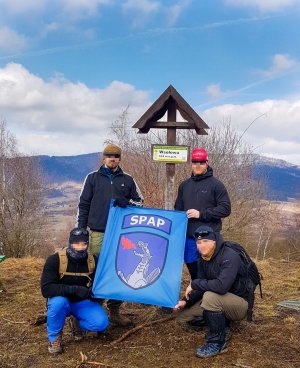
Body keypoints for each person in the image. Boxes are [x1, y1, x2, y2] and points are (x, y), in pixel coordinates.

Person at [76, 143, 143, 326]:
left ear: (120, 158)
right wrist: (80, 231)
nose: (112, 159)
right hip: (98, 233)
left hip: (122, 235)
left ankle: (114, 311)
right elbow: (83, 205)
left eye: (115, 156)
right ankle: (94, 309)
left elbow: (140, 204)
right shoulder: (92, 178)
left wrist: (126, 202)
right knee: (97, 271)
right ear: (103, 158)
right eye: (109, 156)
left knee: (119, 270)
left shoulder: (128, 180)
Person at [174, 225, 249, 358]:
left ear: (214, 241)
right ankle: (223, 325)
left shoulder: (229, 255)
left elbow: (221, 286)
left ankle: (217, 343)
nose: (202, 245)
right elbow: (202, 285)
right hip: (218, 298)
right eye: (199, 242)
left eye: (206, 241)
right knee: (182, 315)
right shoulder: (203, 258)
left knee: (210, 297)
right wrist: (186, 301)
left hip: (240, 304)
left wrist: (195, 283)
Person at [41, 227, 109, 354]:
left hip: (82, 302)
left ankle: (77, 321)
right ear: (70, 243)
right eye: (76, 244)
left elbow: (98, 284)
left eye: (84, 244)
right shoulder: (55, 260)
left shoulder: (93, 260)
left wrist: (97, 295)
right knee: (57, 304)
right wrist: (75, 290)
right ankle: (54, 338)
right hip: (61, 301)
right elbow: (46, 289)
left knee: (101, 324)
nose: (80, 247)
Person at [174, 147, 231, 280]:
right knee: (194, 271)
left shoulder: (216, 185)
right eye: (195, 162)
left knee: (210, 271)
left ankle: (209, 297)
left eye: (201, 162)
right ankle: (197, 294)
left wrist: (201, 214)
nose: (197, 165)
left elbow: (226, 209)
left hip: (209, 236)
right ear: (191, 164)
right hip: (189, 237)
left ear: (206, 163)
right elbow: (178, 210)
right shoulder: (184, 185)